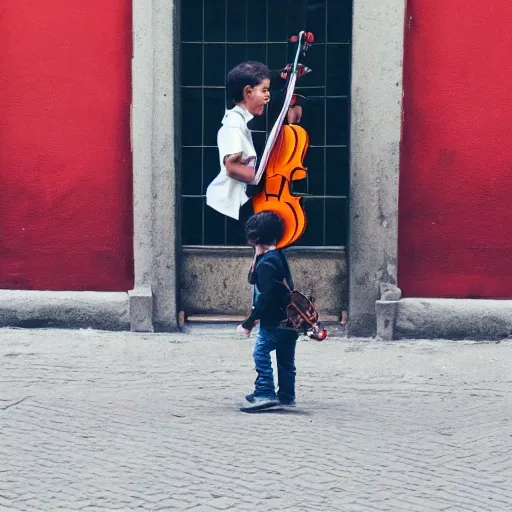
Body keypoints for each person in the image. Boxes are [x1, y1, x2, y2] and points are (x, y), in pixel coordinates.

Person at [237, 211, 299, 412]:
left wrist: (249, 322)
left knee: (261, 352)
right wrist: (257, 254)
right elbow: (252, 279)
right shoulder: (278, 255)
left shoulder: (266, 264)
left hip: (273, 321)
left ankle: (264, 393)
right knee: (286, 360)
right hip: (291, 322)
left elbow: (265, 297)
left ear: (254, 237)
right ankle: (287, 396)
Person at [206, 61, 270, 222]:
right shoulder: (234, 124)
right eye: (264, 90)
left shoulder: (241, 121)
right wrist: (264, 179)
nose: (268, 95)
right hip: (227, 206)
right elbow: (232, 167)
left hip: (235, 202)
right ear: (248, 92)